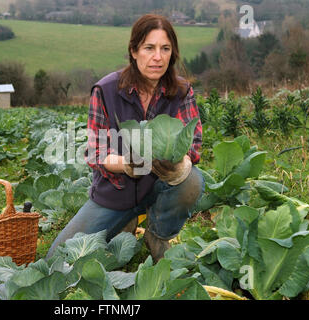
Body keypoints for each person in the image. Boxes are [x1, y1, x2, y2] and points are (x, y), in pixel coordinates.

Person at [46, 14, 204, 262]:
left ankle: (158, 234)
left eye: (165, 49)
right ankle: (126, 222)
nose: (157, 57)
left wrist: (178, 163)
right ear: (133, 51)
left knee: (192, 180)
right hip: (116, 193)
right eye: (149, 48)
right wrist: (126, 165)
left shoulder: (182, 91)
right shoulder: (106, 90)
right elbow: (96, 152)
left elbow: (193, 145)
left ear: (172, 53)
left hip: (159, 187)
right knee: (58, 258)